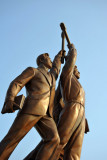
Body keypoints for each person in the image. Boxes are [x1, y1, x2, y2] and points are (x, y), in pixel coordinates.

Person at [23, 44, 88, 160]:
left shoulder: (75, 83)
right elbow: (71, 60)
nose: (78, 71)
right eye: (76, 68)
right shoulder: (66, 75)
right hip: (72, 107)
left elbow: (56, 98)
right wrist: (72, 49)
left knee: (74, 151)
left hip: (81, 113)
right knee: (59, 142)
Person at [0, 51, 63, 160]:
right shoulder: (33, 71)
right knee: (12, 139)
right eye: (49, 59)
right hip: (31, 108)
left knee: (54, 139)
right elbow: (16, 83)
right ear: (42, 60)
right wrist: (10, 99)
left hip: (46, 114)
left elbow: (56, 68)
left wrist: (59, 56)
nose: (51, 61)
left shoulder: (52, 77)